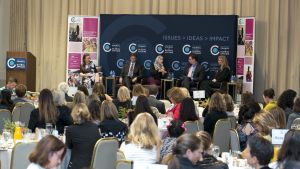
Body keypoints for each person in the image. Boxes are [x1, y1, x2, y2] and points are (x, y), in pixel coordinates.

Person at [66, 103, 101, 169]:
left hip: (76, 166)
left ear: (73, 114)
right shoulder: (95, 127)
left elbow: (68, 147)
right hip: (92, 165)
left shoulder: (70, 129)